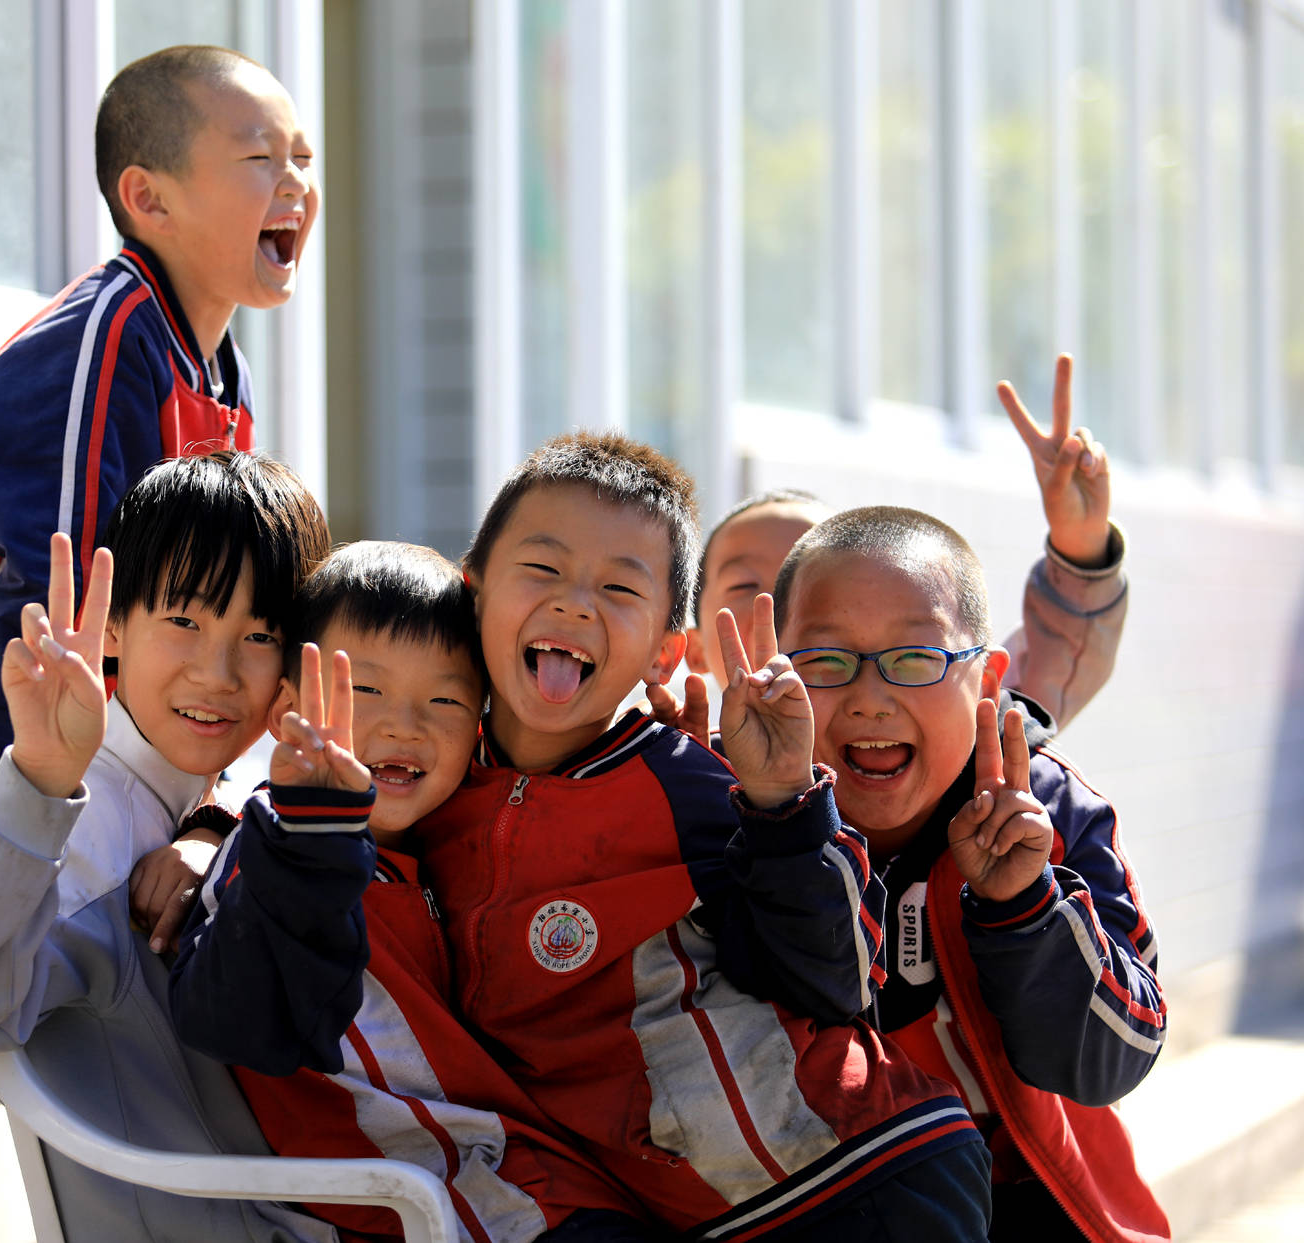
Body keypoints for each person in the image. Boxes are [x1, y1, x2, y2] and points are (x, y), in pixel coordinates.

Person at [420, 431, 992, 1241]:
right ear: (472, 591)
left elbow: (837, 982)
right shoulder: (434, 783)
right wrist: (206, 827)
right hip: (685, 1212)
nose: (575, 603)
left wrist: (782, 801)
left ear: (666, 650)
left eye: (620, 587)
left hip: (857, 1179)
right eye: (543, 569)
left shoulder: (690, 782)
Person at [0, 44, 319, 913]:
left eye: (302, 158)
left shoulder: (219, 369)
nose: (295, 183)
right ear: (148, 199)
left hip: (75, 768)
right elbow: (49, 609)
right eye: (260, 158)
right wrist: (20, 817)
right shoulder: (99, 342)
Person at [0, 452, 334, 1243]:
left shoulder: (200, 789)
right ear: (113, 623)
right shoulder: (71, 817)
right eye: (185, 620)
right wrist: (40, 781)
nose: (217, 672)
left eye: (259, 635)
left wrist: (214, 824)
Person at [170, 542, 663, 1242]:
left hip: (532, 1175)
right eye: (363, 691)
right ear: (288, 711)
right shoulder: (277, 843)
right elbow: (231, 1018)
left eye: (446, 699)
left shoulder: (452, 838)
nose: (406, 724)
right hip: (420, 1199)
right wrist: (300, 834)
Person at [772, 505, 1168, 1242]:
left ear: (987, 681)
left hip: (1048, 1204)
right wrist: (783, 829)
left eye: (916, 659)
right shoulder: (741, 814)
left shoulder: (1048, 812)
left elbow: (1114, 1055)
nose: (869, 696)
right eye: (826, 662)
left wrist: (1024, 905)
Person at [685, 355, 1128, 730]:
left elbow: (1058, 653)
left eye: (807, 584)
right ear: (696, 648)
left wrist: (1080, 539)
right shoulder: (678, 784)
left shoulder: (955, 721)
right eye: (746, 587)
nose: (776, 607)